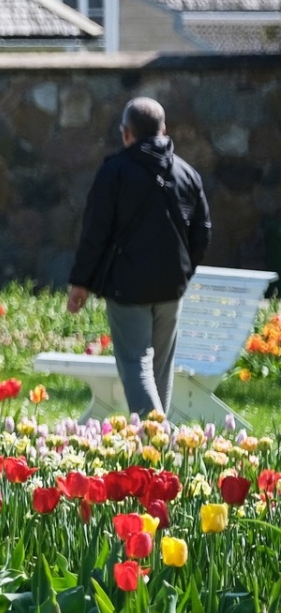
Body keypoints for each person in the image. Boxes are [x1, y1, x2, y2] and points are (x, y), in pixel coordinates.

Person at [66, 96, 212, 417]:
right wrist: (182, 272)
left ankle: (156, 435)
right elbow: (202, 233)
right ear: (164, 129)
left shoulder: (114, 172)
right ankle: (156, 440)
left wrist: (81, 282)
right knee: (160, 368)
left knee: (136, 363)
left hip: (127, 286)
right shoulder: (187, 174)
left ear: (126, 133)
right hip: (171, 286)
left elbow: (95, 233)